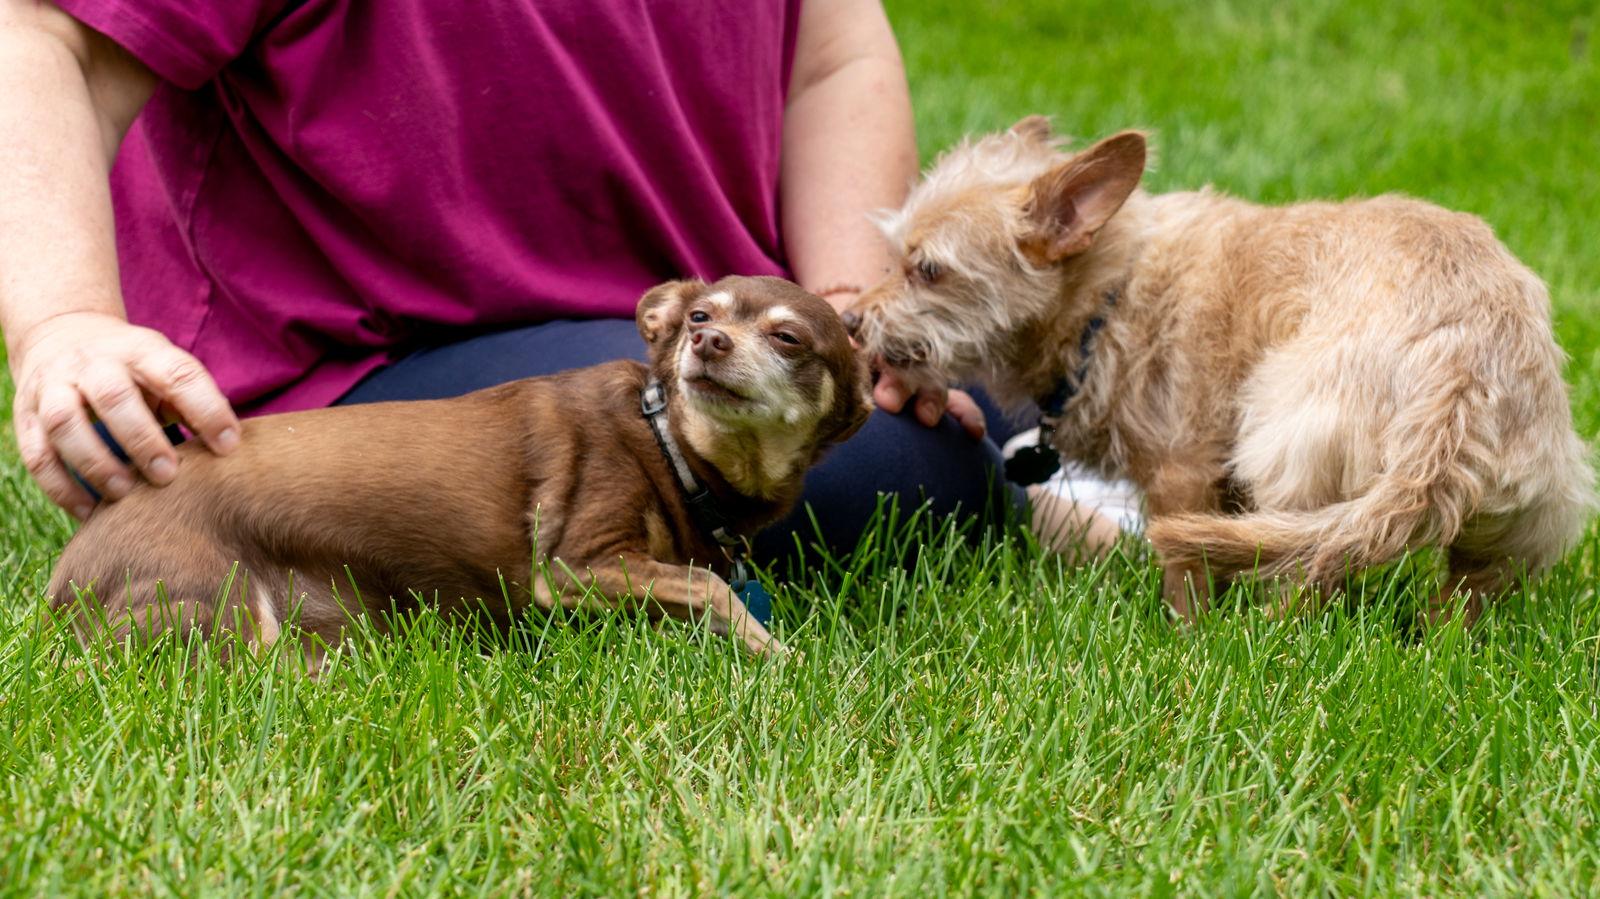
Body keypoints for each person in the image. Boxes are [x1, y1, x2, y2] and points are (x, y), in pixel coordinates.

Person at [1, 0, 1118, 564]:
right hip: (374, 364)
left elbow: (831, 58)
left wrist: (842, 299)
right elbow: (45, 37)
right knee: (880, 469)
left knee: (1047, 353)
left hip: (699, 321)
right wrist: (66, 326)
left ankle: (1119, 479)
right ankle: (1040, 500)